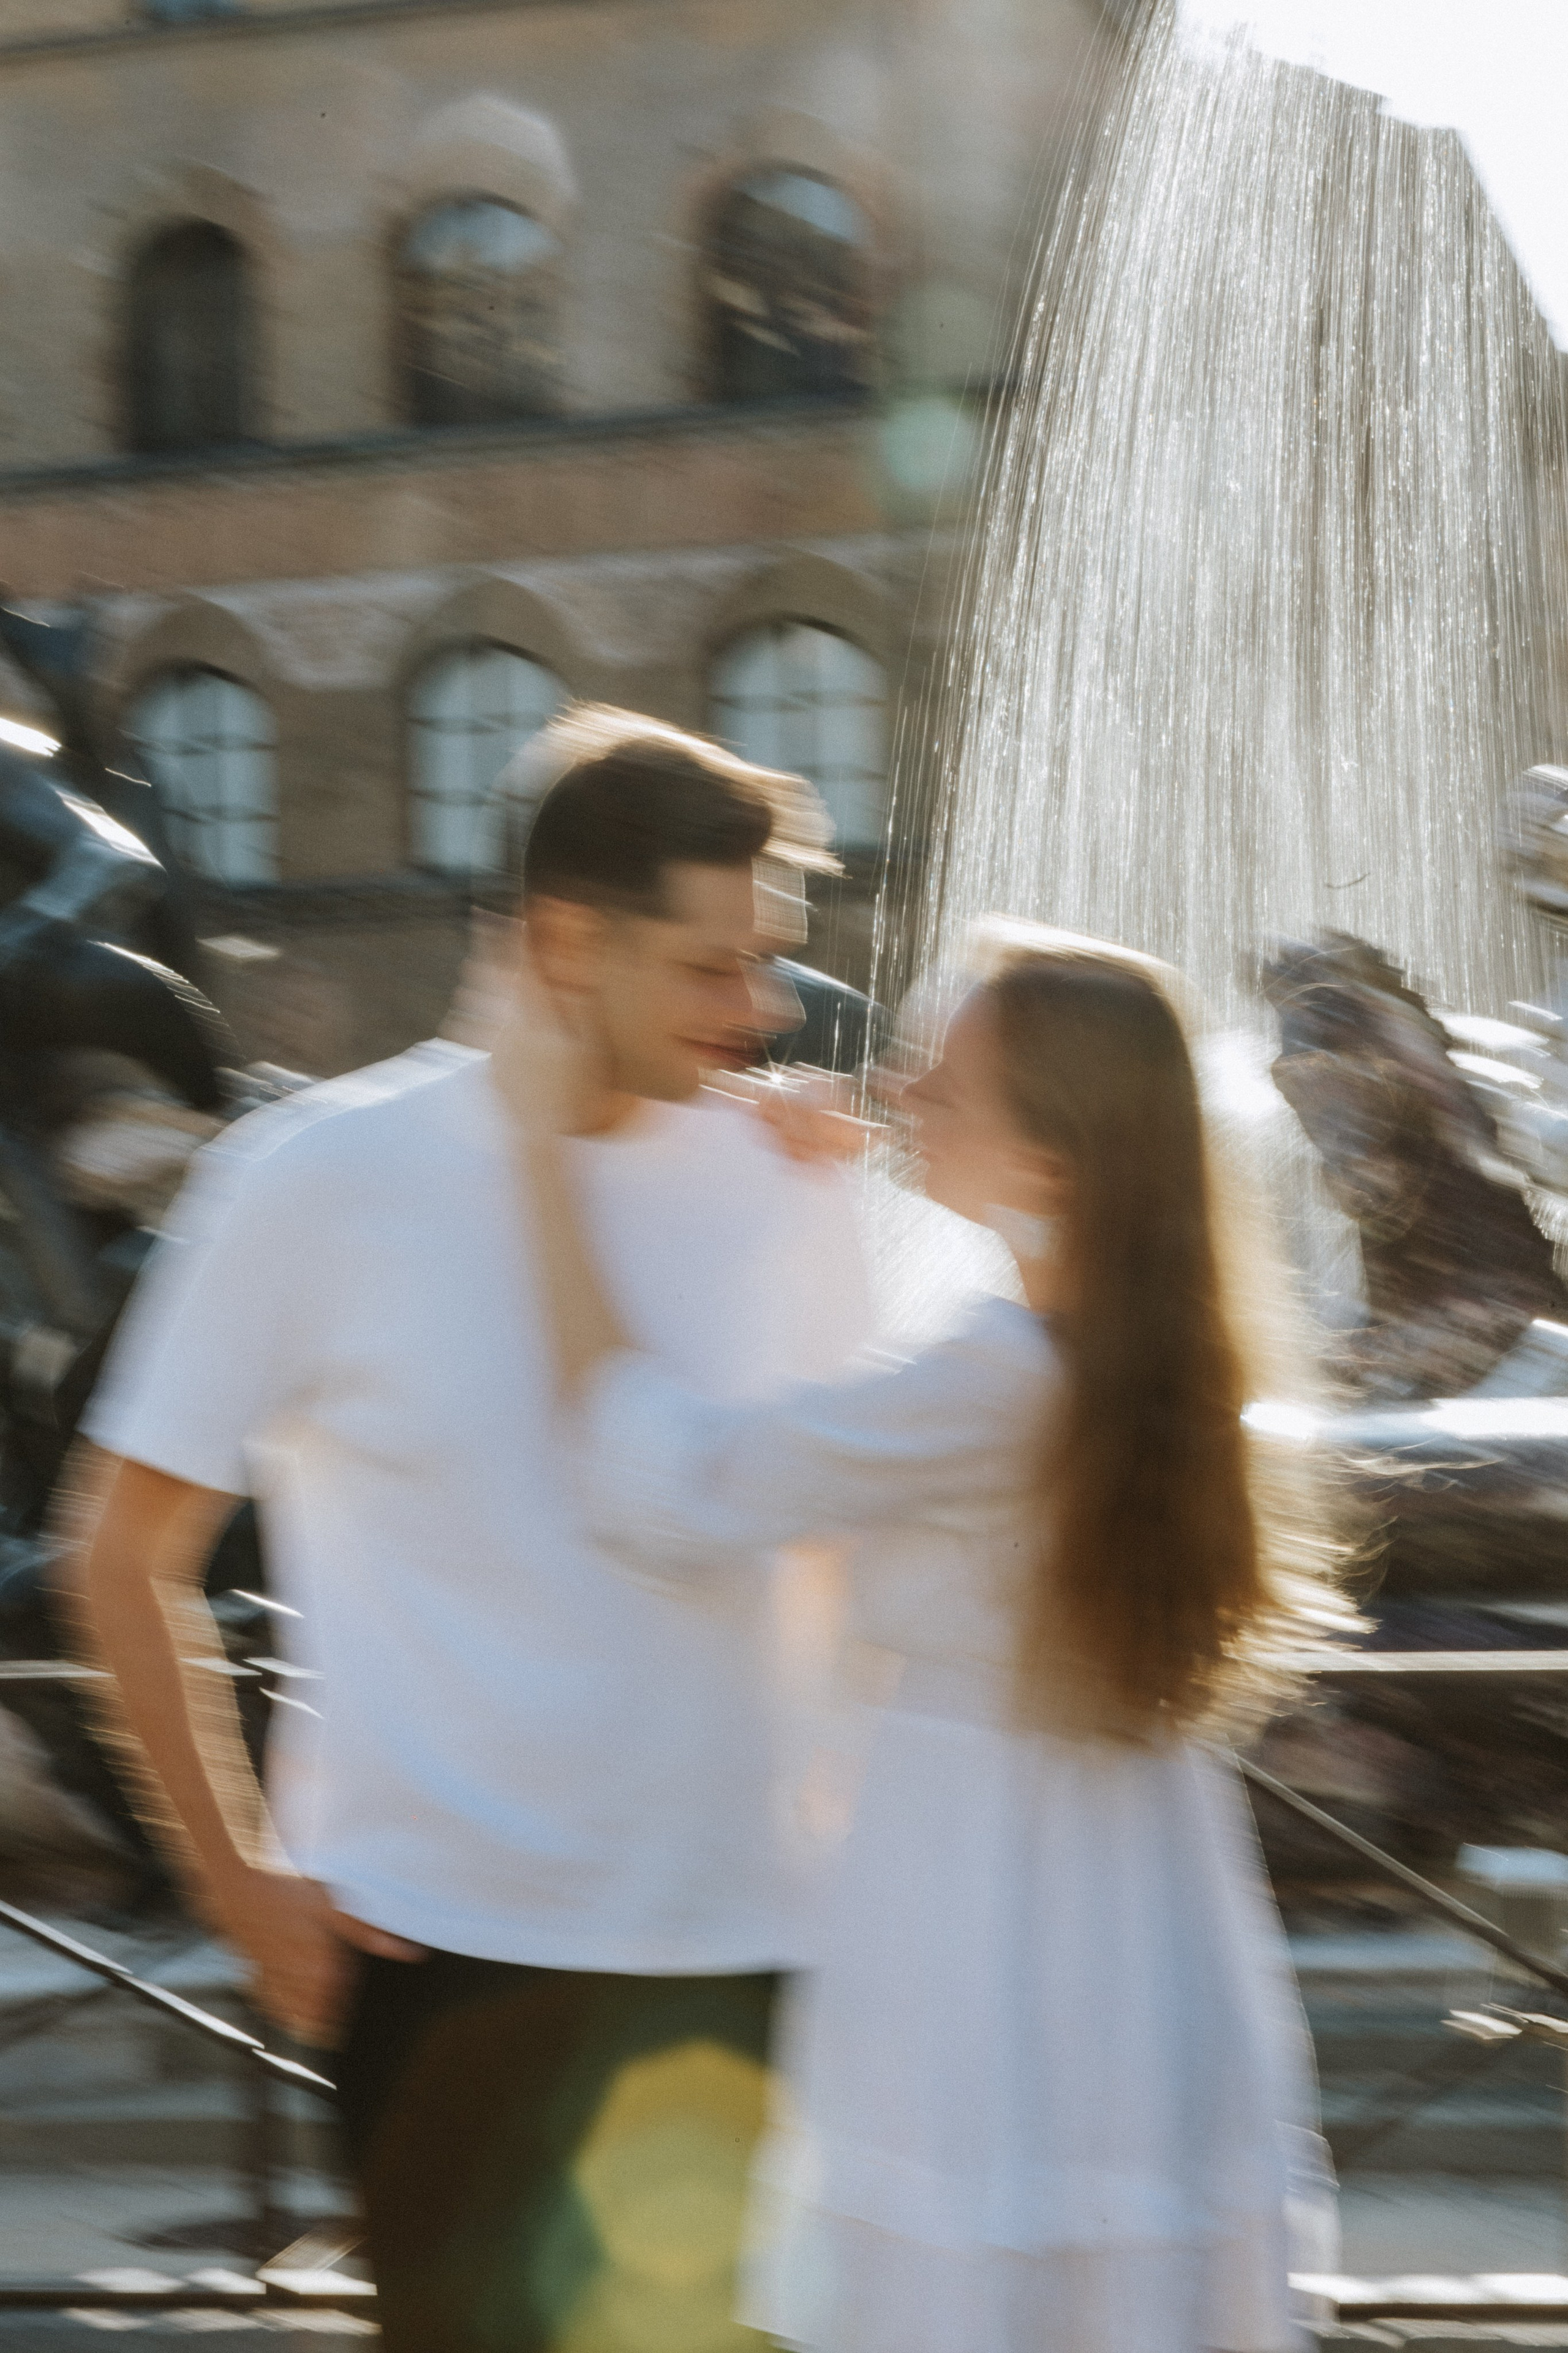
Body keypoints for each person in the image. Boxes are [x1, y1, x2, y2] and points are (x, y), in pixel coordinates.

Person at [74, 708, 875, 2353]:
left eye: (770, 963)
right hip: (450, 1976)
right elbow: (119, 1554)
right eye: (715, 968)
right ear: (569, 942)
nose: (769, 1008)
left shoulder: (795, 1175)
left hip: (761, 1960)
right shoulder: (313, 1179)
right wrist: (237, 1884)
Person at [516, 923, 1344, 2353]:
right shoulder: (1142, 1347)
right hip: (1129, 1883)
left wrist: (543, 1181)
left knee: (961, 2272)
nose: (893, 1089)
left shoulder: (994, 1373)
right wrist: (825, 1191)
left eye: (936, 1081)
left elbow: (683, 1481)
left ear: (1046, 1162)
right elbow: (868, 1423)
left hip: (978, 1889)